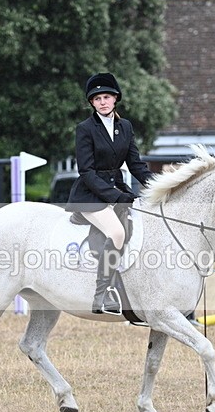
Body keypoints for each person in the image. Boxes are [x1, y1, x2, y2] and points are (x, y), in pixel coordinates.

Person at [65, 72, 155, 314]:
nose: (102, 102)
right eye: (97, 99)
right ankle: (102, 295)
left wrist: (160, 186)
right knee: (117, 232)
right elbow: (86, 171)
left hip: (118, 188)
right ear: (92, 103)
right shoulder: (85, 129)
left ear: (115, 99)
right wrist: (115, 196)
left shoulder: (125, 127)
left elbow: (136, 165)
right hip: (90, 194)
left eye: (106, 97)